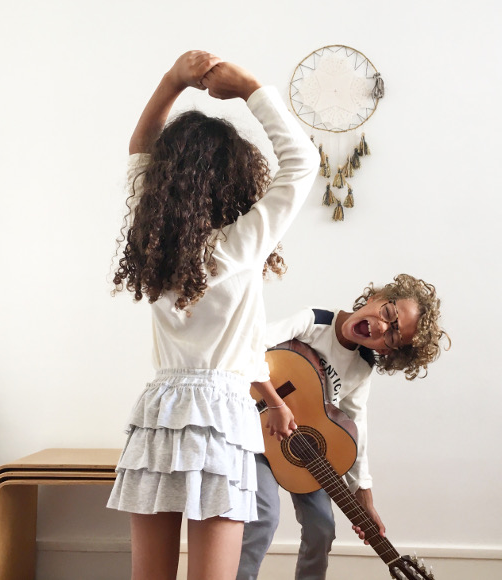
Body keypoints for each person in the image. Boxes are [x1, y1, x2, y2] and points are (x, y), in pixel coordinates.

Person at [106, 50, 319, 580]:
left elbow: (139, 149)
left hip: (160, 410)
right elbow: (302, 162)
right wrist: (248, 87)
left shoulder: (153, 247)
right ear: (234, 179)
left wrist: (173, 80)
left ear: (162, 182)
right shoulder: (238, 245)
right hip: (221, 418)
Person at [237, 274, 448, 580]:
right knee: (264, 517)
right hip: (258, 431)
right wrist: (275, 403)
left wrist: (363, 494)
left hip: (300, 450)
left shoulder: (362, 367)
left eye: (391, 336)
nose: (379, 327)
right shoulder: (314, 321)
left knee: (322, 527)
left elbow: (355, 423)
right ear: (378, 297)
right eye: (388, 313)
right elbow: (251, 350)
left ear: (389, 351)